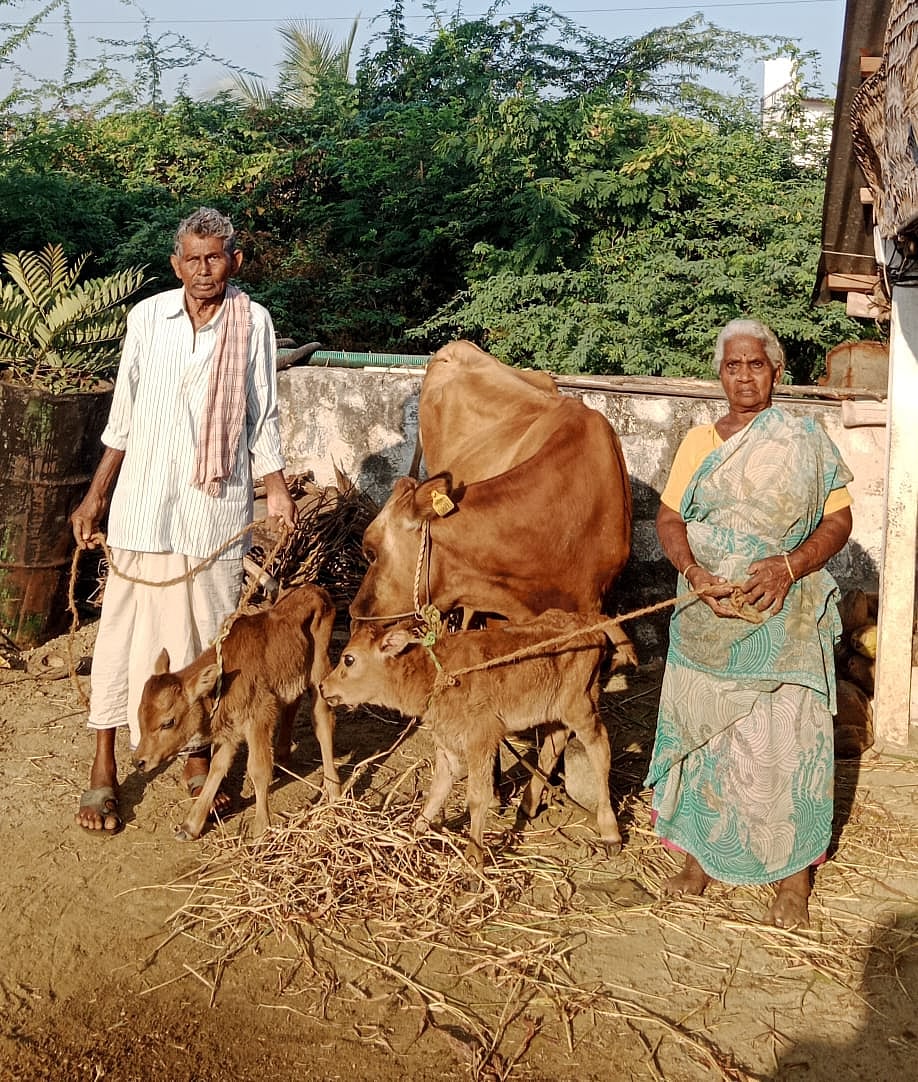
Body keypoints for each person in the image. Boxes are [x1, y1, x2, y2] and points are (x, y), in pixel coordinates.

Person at [71, 207, 296, 835]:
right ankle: (104, 765)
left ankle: (198, 756)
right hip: (142, 506)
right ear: (176, 264)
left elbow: (263, 417)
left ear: (235, 261)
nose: (204, 270)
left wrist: (276, 492)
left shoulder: (255, 323)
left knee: (207, 643)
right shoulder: (147, 319)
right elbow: (123, 416)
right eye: (192, 259)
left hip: (214, 511)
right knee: (122, 636)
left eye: (215, 257)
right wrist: (95, 498)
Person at [646, 318, 853, 929]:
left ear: (776, 371)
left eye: (755, 364)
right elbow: (668, 519)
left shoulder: (805, 439)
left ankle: (793, 876)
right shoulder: (697, 443)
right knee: (706, 737)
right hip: (707, 615)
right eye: (733, 365)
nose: (743, 375)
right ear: (720, 373)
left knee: (788, 742)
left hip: (782, 618)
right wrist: (692, 573)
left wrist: (789, 567)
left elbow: (839, 523)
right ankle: (701, 856)